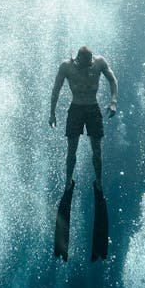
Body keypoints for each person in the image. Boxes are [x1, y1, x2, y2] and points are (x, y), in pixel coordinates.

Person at [49, 46, 118, 193]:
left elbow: (113, 80)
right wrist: (52, 113)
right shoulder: (66, 67)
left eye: (89, 63)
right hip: (76, 109)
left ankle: (99, 182)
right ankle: (68, 181)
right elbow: (56, 89)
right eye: (85, 64)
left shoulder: (99, 62)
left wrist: (113, 101)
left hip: (93, 108)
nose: (88, 67)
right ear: (77, 59)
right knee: (71, 149)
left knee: (97, 149)